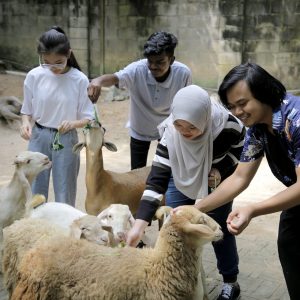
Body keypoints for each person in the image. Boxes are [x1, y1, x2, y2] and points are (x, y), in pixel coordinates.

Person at [189, 62, 300, 300]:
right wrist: (195, 209)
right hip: (296, 200)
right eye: (232, 107)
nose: (238, 112)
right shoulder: (258, 127)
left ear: (264, 93)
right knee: (290, 246)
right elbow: (239, 177)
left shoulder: (296, 119)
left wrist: (252, 209)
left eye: (242, 103)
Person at [126, 85, 246, 300]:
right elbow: (156, 180)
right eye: (178, 125)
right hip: (181, 174)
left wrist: (222, 168)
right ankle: (180, 279)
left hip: (216, 179)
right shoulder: (171, 134)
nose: (184, 132)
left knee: (218, 227)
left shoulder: (227, 126)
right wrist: (139, 224)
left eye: (191, 127)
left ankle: (230, 281)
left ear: (205, 119)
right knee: (173, 225)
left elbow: (241, 148)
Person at [88, 31, 192, 170]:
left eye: (160, 62)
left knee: (168, 169)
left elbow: (187, 103)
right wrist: (98, 81)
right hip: (140, 127)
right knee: (136, 171)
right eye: (150, 61)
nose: (154, 66)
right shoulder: (137, 69)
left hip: (169, 128)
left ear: (171, 60)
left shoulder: (183, 73)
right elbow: (116, 78)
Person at [20, 26, 94, 207]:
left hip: (66, 138)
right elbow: (26, 109)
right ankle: (36, 225)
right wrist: (25, 123)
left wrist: (73, 123)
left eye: (59, 62)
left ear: (69, 54)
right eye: (47, 62)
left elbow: (88, 117)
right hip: (39, 136)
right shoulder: (34, 75)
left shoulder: (79, 79)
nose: (53, 68)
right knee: (35, 186)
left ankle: (64, 229)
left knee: (64, 188)